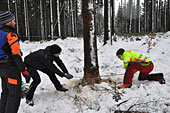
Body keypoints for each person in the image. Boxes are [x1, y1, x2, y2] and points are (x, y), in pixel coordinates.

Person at [0, 11, 31, 113]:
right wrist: (24, 71)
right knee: (14, 94)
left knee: (6, 92)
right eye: (13, 20)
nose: (15, 23)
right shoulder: (10, 34)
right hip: (10, 68)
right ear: (7, 22)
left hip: (2, 69)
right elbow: (16, 54)